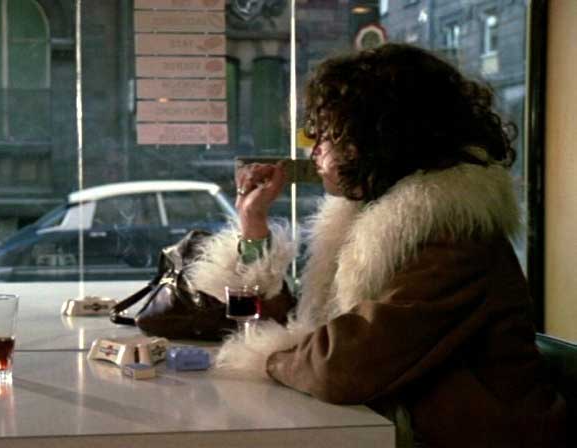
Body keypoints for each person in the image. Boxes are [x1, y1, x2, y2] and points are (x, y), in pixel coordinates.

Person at [186, 43, 569, 447]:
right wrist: (253, 223)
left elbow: (343, 364)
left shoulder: (455, 235)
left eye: (329, 137)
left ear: (377, 140)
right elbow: (308, 327)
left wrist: (266, 357)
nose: (314, 152)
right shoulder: (377, 222)